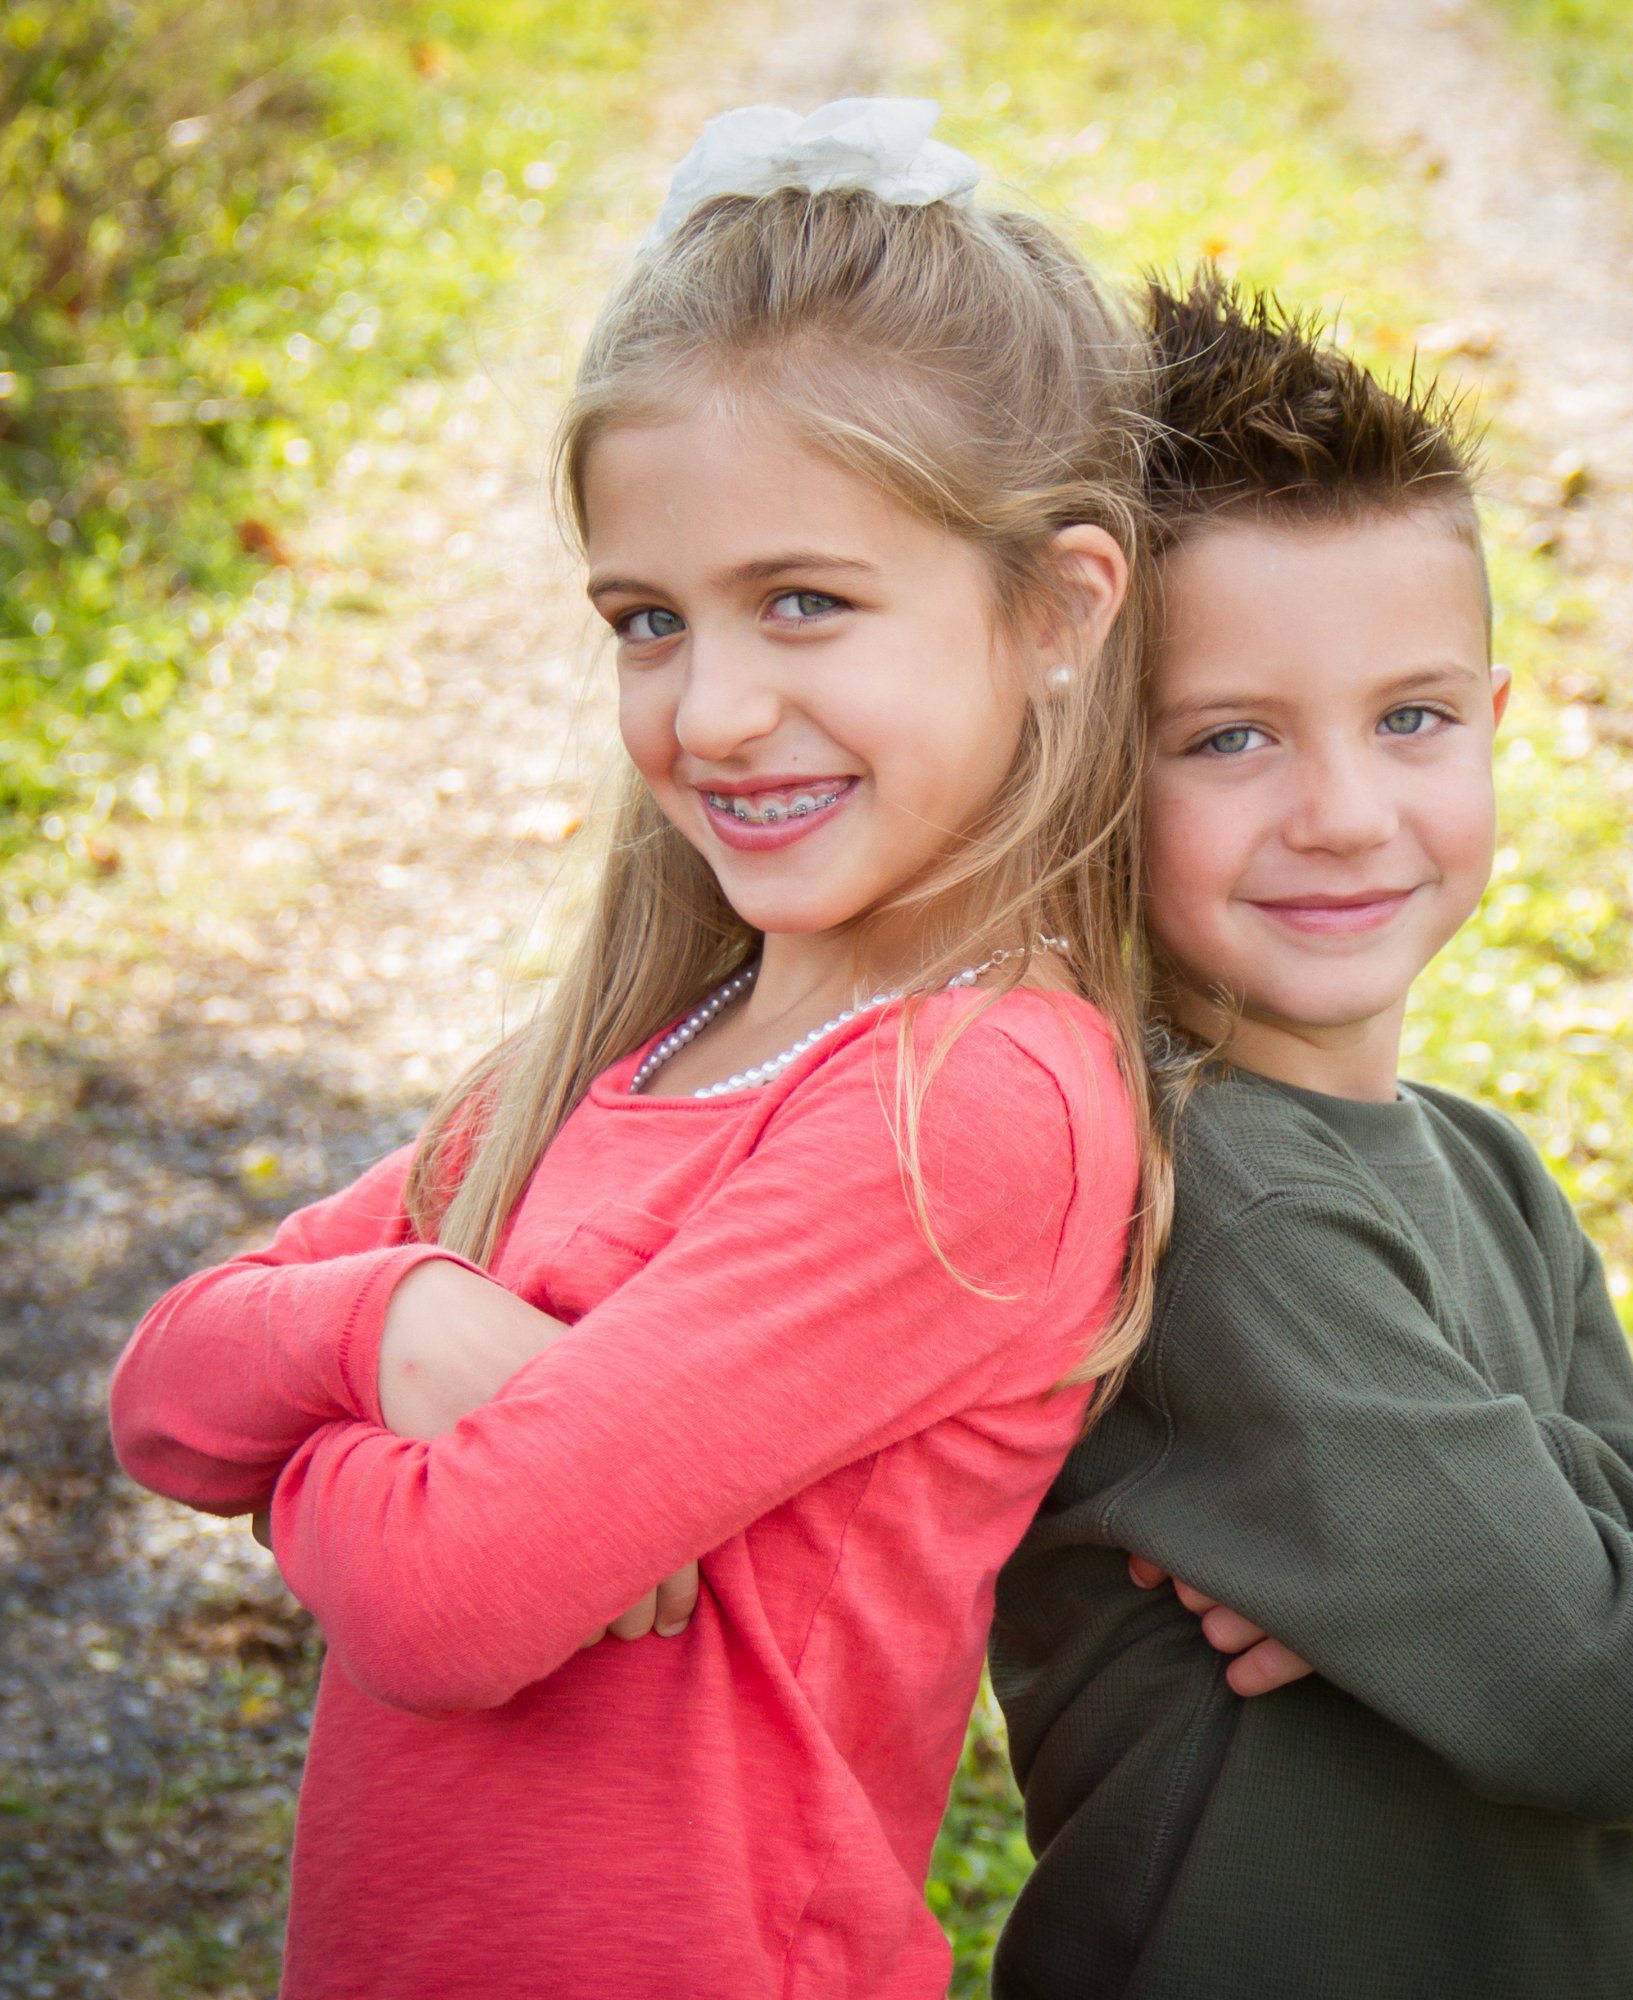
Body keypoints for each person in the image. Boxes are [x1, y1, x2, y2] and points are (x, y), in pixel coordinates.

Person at [109, 99, 1167, 2000]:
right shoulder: (635, 1051)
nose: (714, 708)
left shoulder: (973, 1105)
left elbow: (450, 1602)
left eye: (807, 604)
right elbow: (162, 1394)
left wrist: (336, 1421)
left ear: (1057, 610)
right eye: (648, 621)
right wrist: (395, 1337)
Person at [988, 271, 1633, 2000]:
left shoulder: (1487, 1170)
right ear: (1089, 773)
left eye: (1409, 718)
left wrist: (1490, 1565)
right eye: (1230, 738)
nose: (1342, 813)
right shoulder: (1207, 1197)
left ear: (1496, 719)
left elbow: (1589, 1598)